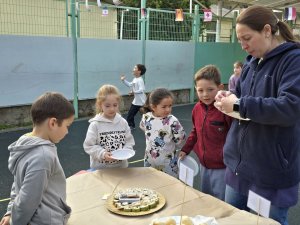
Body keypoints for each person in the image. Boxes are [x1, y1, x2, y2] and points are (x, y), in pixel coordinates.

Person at [214, 5, 300, 225]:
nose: (243, 45)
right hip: (238, 167)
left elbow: (290, 107)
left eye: (247, 38)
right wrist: (229, 98)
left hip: (271, 171)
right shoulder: (252, 62)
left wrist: (240, 105)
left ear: (267, 31)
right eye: (240, 39)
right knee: (231, 221)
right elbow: (242, 98)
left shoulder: (294, 60)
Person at [0, 92, 75, 225]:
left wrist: (11, 212)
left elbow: (18, 183)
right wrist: (14, 222)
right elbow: (28, 200)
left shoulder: (24, 142)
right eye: (67, 126)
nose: (67, 131)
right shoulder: (43, 156)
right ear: (53, 123)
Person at [178, 65, 232, 200]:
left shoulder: (226, 109)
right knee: (207, 198)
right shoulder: (197, 108)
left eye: (210, 90)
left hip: (222, 167)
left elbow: (234, 136)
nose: (205, 94)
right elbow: (196, 130)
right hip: (204, 164)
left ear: (220, 88)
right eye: (200, 90)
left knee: (221, 201)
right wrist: (186, 149)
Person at [83, 84, 135, 170]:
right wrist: (102, 153)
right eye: (107, 106)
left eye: (115, 105)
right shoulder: (95, 124)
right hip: (100, 170)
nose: (112, 109)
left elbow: (129, 142)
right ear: (100, 105)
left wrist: (126, 151)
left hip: (121, 168)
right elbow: (88, 146)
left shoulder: (123, 122)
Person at [139, 88, 186, 178]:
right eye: (164, 107)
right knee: (153, 182)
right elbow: (180, 140)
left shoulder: (172, 121)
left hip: (165, 162)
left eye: (170, 106)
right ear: (153, 107)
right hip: (152, 159)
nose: (168, 109)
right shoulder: (146, 117)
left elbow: (180, 138)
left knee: (166, 183)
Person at [120, 64, 146, 130]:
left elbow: (141, 90)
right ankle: (131, 126)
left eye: (135, 68)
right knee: (130, 115)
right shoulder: (135, 79)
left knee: (146, 116)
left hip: (142, 102)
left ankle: (150, 126)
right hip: (136, 102)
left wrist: (133, 92)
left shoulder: (140, 80)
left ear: (139, 71)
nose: (133, 69)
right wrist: (123, 80)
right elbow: (129, 85)